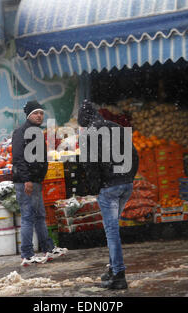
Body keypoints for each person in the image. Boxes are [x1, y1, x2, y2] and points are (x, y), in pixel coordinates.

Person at [77, 100, 139, 290]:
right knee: (113, 229)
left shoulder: (89, 135)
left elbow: (90, 166)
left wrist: (97, 188)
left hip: (109, 188)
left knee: (111, 232)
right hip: (126, 186)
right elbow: (134, 155)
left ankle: (119, 275)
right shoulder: (117, 128)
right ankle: (113, 269)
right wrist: (129, 177)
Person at [12, 100, 68, 266]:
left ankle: (48, 248)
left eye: (41, 113)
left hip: (36, 181)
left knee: (39, 216)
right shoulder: (21, 132)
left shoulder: (36, 131)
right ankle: (27, 255)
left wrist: (38, 177)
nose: (39, 115)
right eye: (36, 113)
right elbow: (18, 158)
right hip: (27, 182)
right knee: (28, 216)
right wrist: (26, 179)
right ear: (29, 115)